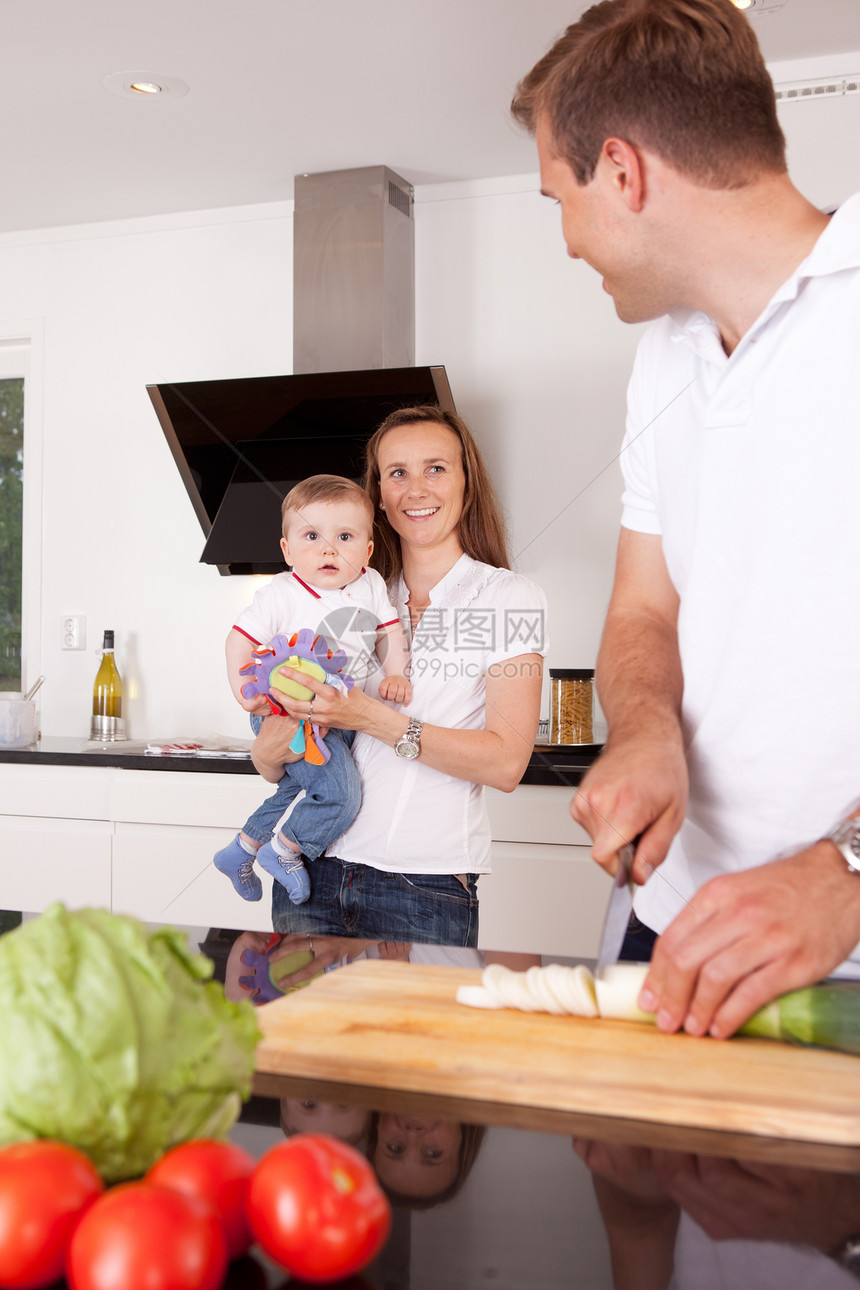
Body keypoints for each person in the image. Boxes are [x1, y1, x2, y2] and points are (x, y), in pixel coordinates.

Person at [511, 0, 860, 1038]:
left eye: (557, 197)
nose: (568, 241)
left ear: (621, 172)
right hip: (666, 921)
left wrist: (844, 873)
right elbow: (642, 607)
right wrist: (647, 729)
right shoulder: (662, 352)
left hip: (836, 948)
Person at [251, 405, 548, 947]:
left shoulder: (509, 599)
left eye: (436, 468)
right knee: (302, 1034)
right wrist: (269, 750)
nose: (416, 489)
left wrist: (373, 717)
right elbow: (276, 763)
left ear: (467, 483)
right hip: (309, 873)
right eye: (397, 473)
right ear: (378, 497)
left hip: (423, 888)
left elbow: (507, 763)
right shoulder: (350, 592)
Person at [214, 474, 411, 904]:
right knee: (342, 795)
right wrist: (244, 693)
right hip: (288, 711)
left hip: (337, 715)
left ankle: (243, 849)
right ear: (286, 550)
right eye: (311, 536)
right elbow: (238, 640)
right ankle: (284, 850)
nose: (329, 549)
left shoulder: (372, 585)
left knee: (301, 787)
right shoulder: (281, 593)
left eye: (345, 536)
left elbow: (390, 633)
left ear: (367, 550)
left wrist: (395, 674)